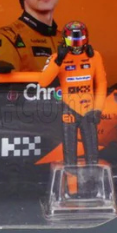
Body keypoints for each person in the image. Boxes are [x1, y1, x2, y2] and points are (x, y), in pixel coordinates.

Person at [35, 21, 107, 166]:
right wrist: (58, 61)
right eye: (72, 42)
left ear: (86, 39)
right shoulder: (57, 57)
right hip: (68, 109)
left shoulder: (95, 56)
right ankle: (70, 176)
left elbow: (101, 84)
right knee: (69, 155)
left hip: (89, 109)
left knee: (92, 155)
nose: (76, 45)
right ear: (64, 41)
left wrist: (98, 108)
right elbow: (43, 82)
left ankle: (92, 177)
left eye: (79, 41)